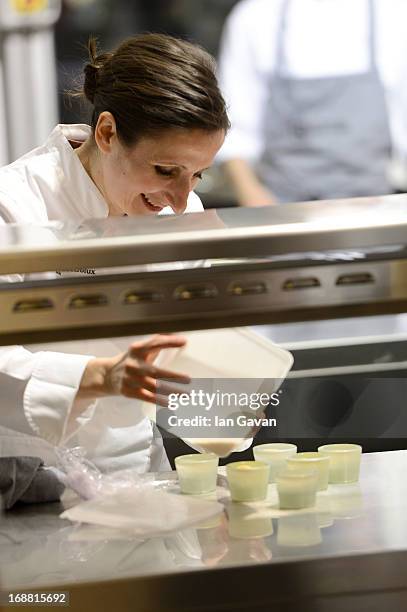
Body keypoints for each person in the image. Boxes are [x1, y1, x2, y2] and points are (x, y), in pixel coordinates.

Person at [0, 33, 229, 473]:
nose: (181, 200)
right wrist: (101, 377)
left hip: (138, 472)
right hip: (29, 477)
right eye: (166, 171)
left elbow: (190, 345)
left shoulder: (180, 217)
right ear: (107, 132)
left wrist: (225, 404)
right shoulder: (14, 208)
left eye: (197, 174)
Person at [217, 0, 407, 205]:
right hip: (281, 209)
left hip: (376, 205)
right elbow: (233, 132)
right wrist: (257, 202)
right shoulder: (253, 17)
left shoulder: (393, 12)